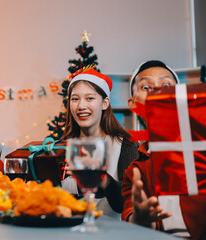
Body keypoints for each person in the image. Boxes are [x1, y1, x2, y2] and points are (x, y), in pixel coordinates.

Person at [121, 60, 206, 240]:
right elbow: (133, 215)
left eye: (166, 84)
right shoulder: (135, 172)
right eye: (146, 87)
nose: (157, 91)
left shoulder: (202, 147)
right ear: (134, 104)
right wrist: (141, 219)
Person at [61, 67, 139, 217]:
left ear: (105, 103)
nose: (81, 106)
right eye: (75, 99)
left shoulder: (127, 146)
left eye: (90, 98)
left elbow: (127, 203)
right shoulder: (60, 148)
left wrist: (102, 179)